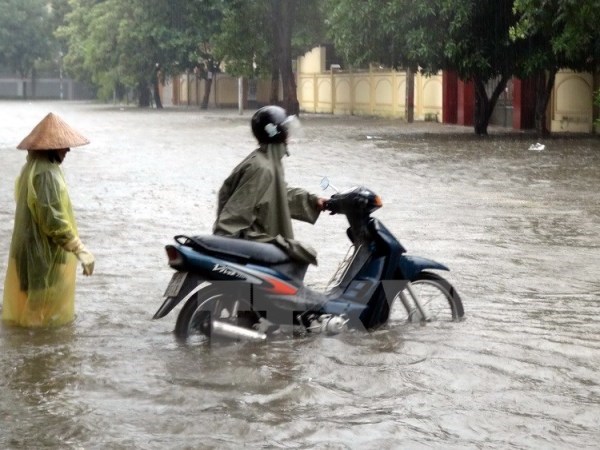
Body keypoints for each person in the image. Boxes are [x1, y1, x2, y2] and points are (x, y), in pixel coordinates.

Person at [2, 113, 95, 328]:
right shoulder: (45, 175)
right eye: (62, 146)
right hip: (40, 256)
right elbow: (52, 220)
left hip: (30, 251)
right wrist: (79, 249)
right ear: (50, 148)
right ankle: (35, 356)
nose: (67, 150)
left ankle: (28, 351)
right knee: (39, 313)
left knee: (35, 310)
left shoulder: (32, 169)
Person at [213, 105, 326, 265]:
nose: (289, 135)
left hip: (256, 245)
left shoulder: (267, 161)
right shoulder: (262, 168)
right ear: (276, 133)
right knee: (302, 252)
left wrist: (312, 200)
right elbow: (231, 222)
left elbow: (276, 194)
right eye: (286, 129)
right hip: (252, 252)